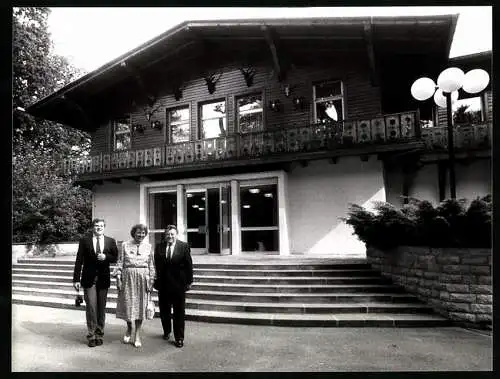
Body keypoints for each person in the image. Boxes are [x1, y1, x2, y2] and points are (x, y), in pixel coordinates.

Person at [73, 218, 118, 347]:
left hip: (103, 279)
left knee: (101, 308)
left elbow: (115, 257)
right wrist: (76, 279)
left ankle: (99, 334)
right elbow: (79, 260)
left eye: (101, 226)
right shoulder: (85, 240)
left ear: (104, 227)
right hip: (89, 278)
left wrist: (106, 257)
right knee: (91, 307)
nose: (99, 228)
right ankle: (91, 335)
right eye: (96, 225)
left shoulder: (110, 241)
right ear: (93, 227)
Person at [112, 223, 155, 348]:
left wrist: (151, 280)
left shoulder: (149, 247)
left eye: (143, 233)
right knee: (128, 305)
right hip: (127, 279)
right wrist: (118, 278)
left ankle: (137, 334)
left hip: (143, 279)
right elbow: (120, 262)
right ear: (133, 233)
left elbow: (151, 265)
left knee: (141, 307)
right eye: (138, 233)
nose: (141, 235)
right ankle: (129, 327)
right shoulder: (125, 245)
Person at [154, 224, 193, 348]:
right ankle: (166, 331)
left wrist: (189, 281)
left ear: (176, 235)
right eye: (168, 234)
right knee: (164, 311)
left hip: (178, 285)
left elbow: (189, 265)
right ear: (165, 235)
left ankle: (179, 338)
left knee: (179, 312)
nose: (170, 236)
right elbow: (157, 265)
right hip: (163, 284)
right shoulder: (159, 247)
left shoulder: (184, 246)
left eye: (172, 234)